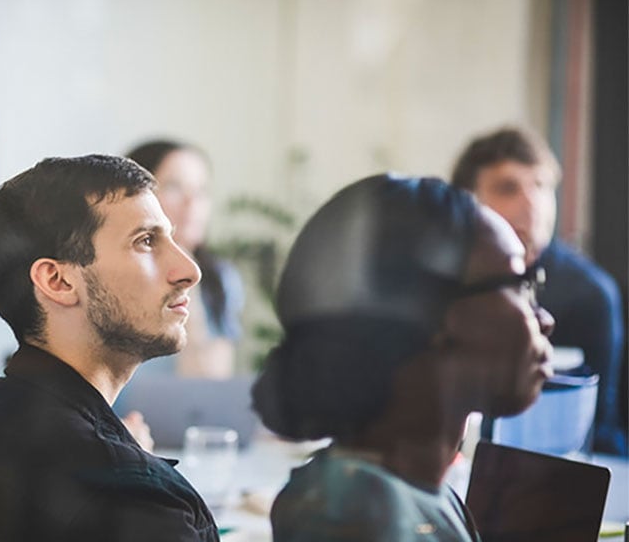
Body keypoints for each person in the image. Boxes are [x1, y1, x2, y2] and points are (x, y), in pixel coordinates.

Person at [0, 155, 219, 541]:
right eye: (145, 241)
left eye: (170, 238)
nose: (189, 269)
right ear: (57, 280)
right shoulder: (131, 495)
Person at [252, 174, 554, 541]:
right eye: (520, 285)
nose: (544, 320)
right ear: (431, 311)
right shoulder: (355, 518)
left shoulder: (415, 489)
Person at [451, 126, 627, 455]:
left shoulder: (589, 294)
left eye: (541, 186)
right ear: (467, 202)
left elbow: (599, 427)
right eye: (508, 188)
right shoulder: (442, 279)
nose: (532, 204)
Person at [126, 140, 243, 378]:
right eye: (174, 187)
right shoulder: (113, 272)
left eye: (201, 191)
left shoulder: (221, 279)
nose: (193, 203)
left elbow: (210, 381)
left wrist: (188, 281)